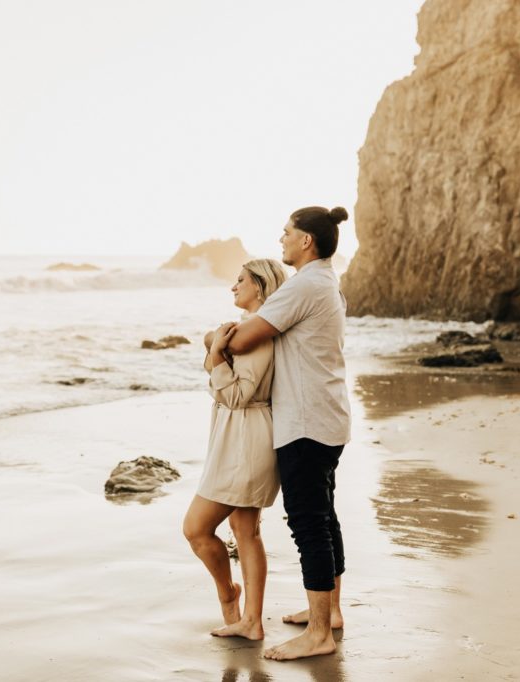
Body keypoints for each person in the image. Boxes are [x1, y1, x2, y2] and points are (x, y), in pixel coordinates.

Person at [226, 205, 353, 661]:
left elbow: (242, 340)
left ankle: (319, 633)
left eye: (286, 233)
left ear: (306, 241)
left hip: (304, 422)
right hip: (329, 417)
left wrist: (213, 339)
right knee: (325, 516)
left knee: (308, 523)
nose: (280, 240)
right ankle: (330, 613)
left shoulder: (304, 286)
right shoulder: (327, 283)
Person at [182, 258, 288, 641]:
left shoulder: (259, 333)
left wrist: (215, 357)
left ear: (259, 287)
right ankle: (251, 621)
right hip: (236, 434)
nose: (233, 287)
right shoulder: (246, 329)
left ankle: (230, 594)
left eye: (240, 280)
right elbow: (219, 377)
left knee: (196, 528)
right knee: (245, 530)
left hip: (247, 437)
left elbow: (239, 394)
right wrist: (216, 349)